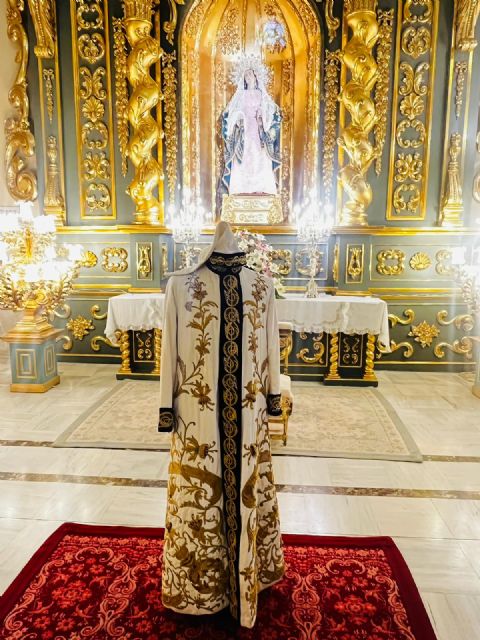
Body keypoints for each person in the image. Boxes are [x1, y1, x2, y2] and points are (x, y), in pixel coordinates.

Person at [158, 221, 285, 628]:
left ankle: (246, 574)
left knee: (247, 484)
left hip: (245, 412)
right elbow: (169, 349)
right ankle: (203, 588)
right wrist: (166, 407)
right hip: (199, 416)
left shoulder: (262, 285)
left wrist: (273, 396)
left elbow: (271, 345)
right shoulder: (181, 285)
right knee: (202, 492)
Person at [222, 67, 281, 196]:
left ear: (255, 76)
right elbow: (232, 111)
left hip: (258, 128)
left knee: (260, 155)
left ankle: (260, 186)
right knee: (244, 154)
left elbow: (271, 110)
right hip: (244, 129)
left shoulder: (261, 94)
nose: (248, 77)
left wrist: (262, 115)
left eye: (250, 74)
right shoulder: (241, 94)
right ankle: (242, 187)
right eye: (246, 75)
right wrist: (239, 116)